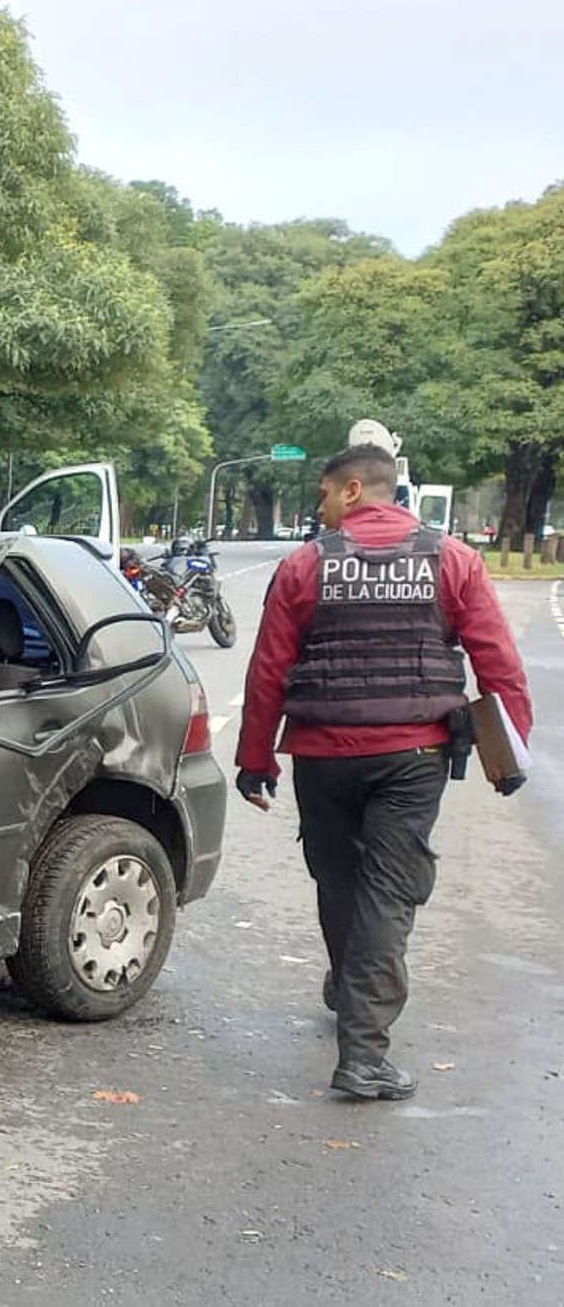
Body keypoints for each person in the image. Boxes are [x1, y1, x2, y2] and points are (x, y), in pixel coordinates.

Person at [235, 443, 531, 1102]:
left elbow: (268, 670)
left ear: (350, 492)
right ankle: (364, 1053)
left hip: (322, 756)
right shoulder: (452, 559)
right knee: (388, 895)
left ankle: (350, 990)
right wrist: (510, 753)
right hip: (413, 759)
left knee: (340, 880)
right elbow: (498, 663)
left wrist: (255, 760)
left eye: (321, 496)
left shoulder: (305, 565)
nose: (319, 509)